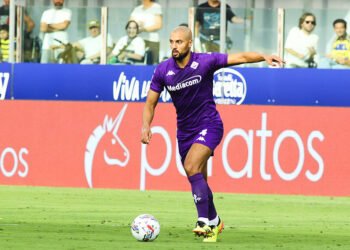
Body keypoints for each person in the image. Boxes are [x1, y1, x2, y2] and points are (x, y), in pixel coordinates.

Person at [140, 26, 284, 243]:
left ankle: (203, 221)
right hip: (185, 132)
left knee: (191, 166)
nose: (174, 46)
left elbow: (241, 57)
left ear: (190, 44)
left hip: (209, 124)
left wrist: (262, 56)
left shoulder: (206, 61)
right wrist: (145, 126)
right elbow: (151, 102)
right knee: (198, 178)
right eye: (171, 42)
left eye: (179, 42)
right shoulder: (163, 70)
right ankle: (214, 220)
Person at [130, 0, 162, 64]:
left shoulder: (156, 7)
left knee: (151, 62)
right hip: (138, 40)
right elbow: (130, 24)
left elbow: (158, 25)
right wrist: (136, 25)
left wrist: (143, 29)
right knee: (136, 62)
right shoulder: (137, 9)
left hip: (152, 40)